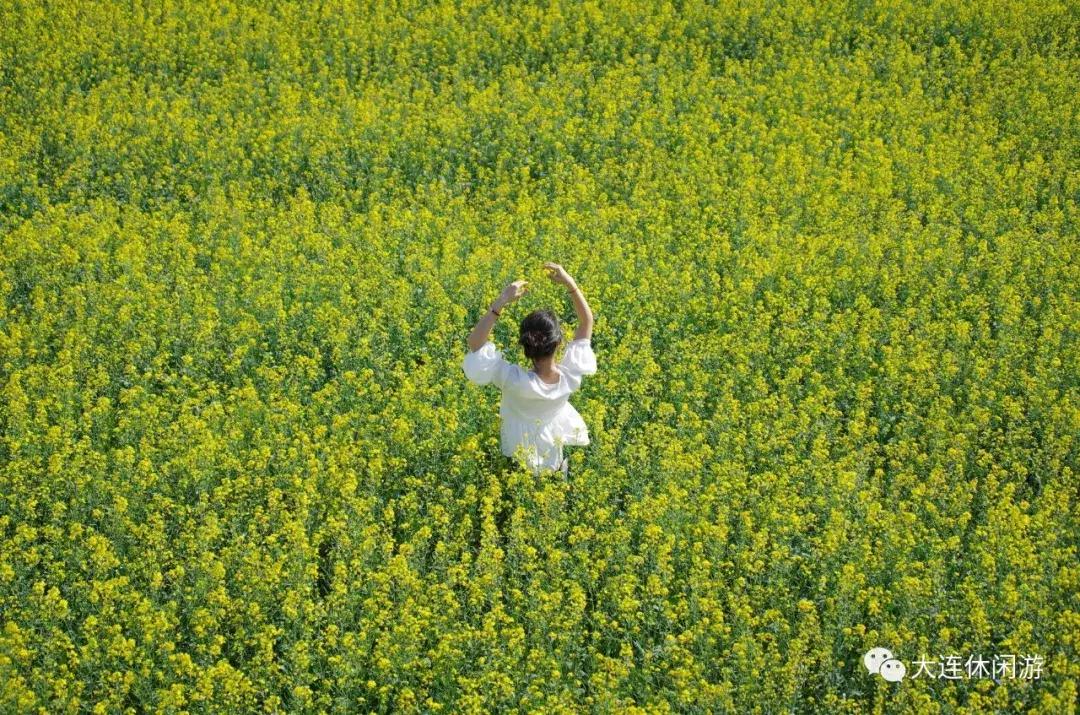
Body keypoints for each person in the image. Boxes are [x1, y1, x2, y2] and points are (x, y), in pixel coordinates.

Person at [463, 262, 596, 476]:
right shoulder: (570, 377)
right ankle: (557, 474)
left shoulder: (513, 380)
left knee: (519, 471)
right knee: (552, 465)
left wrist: (501, 302)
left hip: (517, 443)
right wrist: (570, 283)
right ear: (558, 343)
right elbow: (587, 322)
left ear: (525, 346)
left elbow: (475, 344)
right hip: (551, 436)